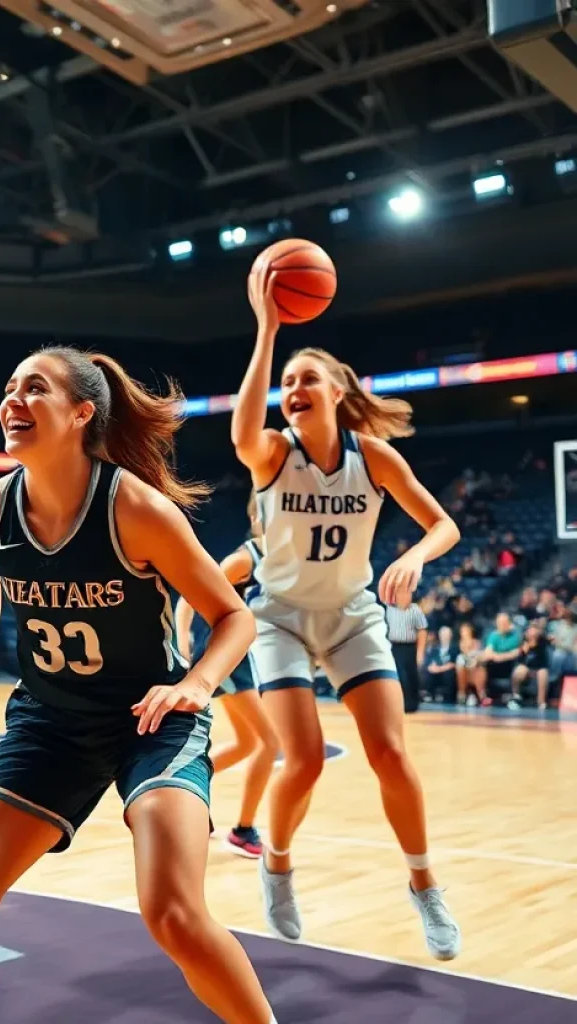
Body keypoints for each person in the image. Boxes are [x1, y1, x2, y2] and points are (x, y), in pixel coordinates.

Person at [0, 347, 277, 1024]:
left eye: (35, 389)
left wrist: (197, 685)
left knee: (173, 913)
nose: (12, 401)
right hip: (50, 725)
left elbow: (233, 616)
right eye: (8, 388)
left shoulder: (137, 510)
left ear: (82, 413)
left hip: (151, 721)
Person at [231, 266, 462, 962]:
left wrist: (418, 554)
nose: (293, 390)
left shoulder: (377, 458)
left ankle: (424, 884)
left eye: (307, 379)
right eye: (288, 382)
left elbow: (444, 524)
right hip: (279, 617)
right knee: (300, 761)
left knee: (391, 752)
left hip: (354, 614)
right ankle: (276, 862)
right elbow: (243, 430)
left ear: (338, 390)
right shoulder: (272, 453)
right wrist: (270, 330)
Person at [175, 507, 278, 859]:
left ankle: (180, 792)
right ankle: (242, 830)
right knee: (270, 741)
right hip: (229, 655)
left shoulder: (284, 559)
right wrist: (183, 643)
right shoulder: (244, 560)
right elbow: (190, 596)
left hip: (248, 657)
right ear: (257, 515)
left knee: (248, 742)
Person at [384, 591, 428, 713]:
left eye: (408, 594)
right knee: (398, 675)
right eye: (403, 594)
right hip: (395, 646)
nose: (406, 597)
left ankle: (412, 704)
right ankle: (399, 703)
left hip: (409, 646)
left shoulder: (415, 610)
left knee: (411, 675)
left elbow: (422, 631)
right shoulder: (389, 608)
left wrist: (420, 651)